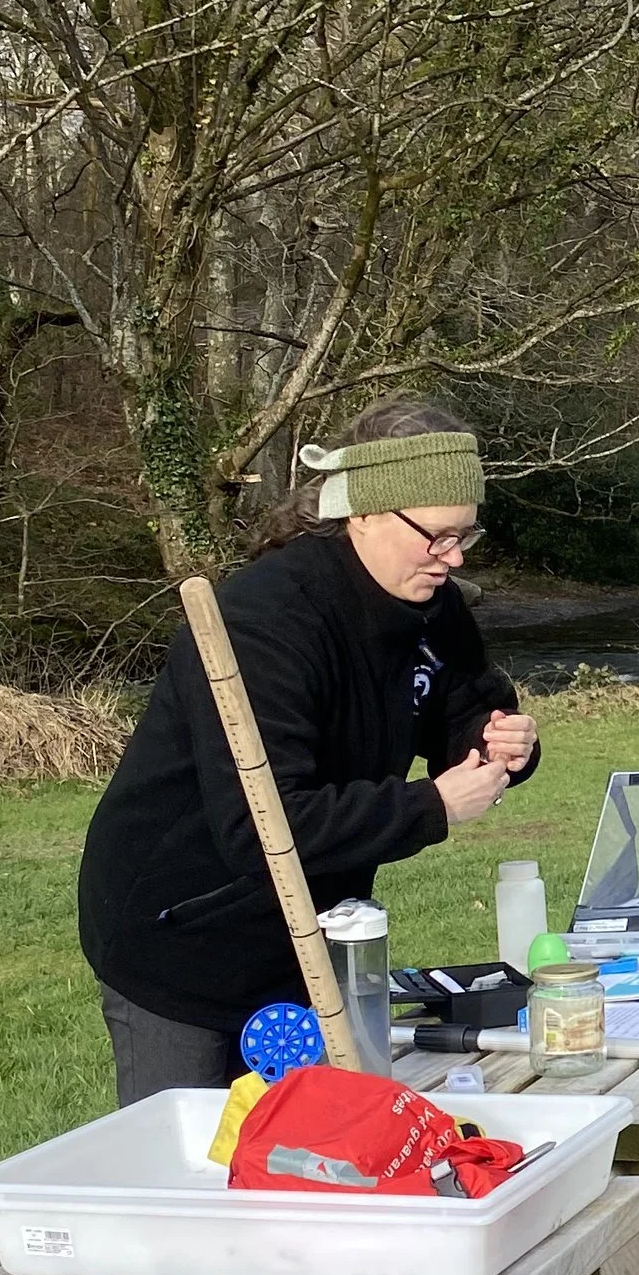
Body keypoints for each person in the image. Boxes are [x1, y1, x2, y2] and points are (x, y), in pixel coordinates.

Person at [79, 401, 538, 1101]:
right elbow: (263, 824)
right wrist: (432, 804)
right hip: (182, 933)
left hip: (313, 931)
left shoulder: (430, 601)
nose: (456, 556)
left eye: (466, 532)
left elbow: (463, 699)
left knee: (308, 1156)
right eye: (437, 536)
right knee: (192, 1171)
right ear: (364, 513)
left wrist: (495, 740)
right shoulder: (264, 621)